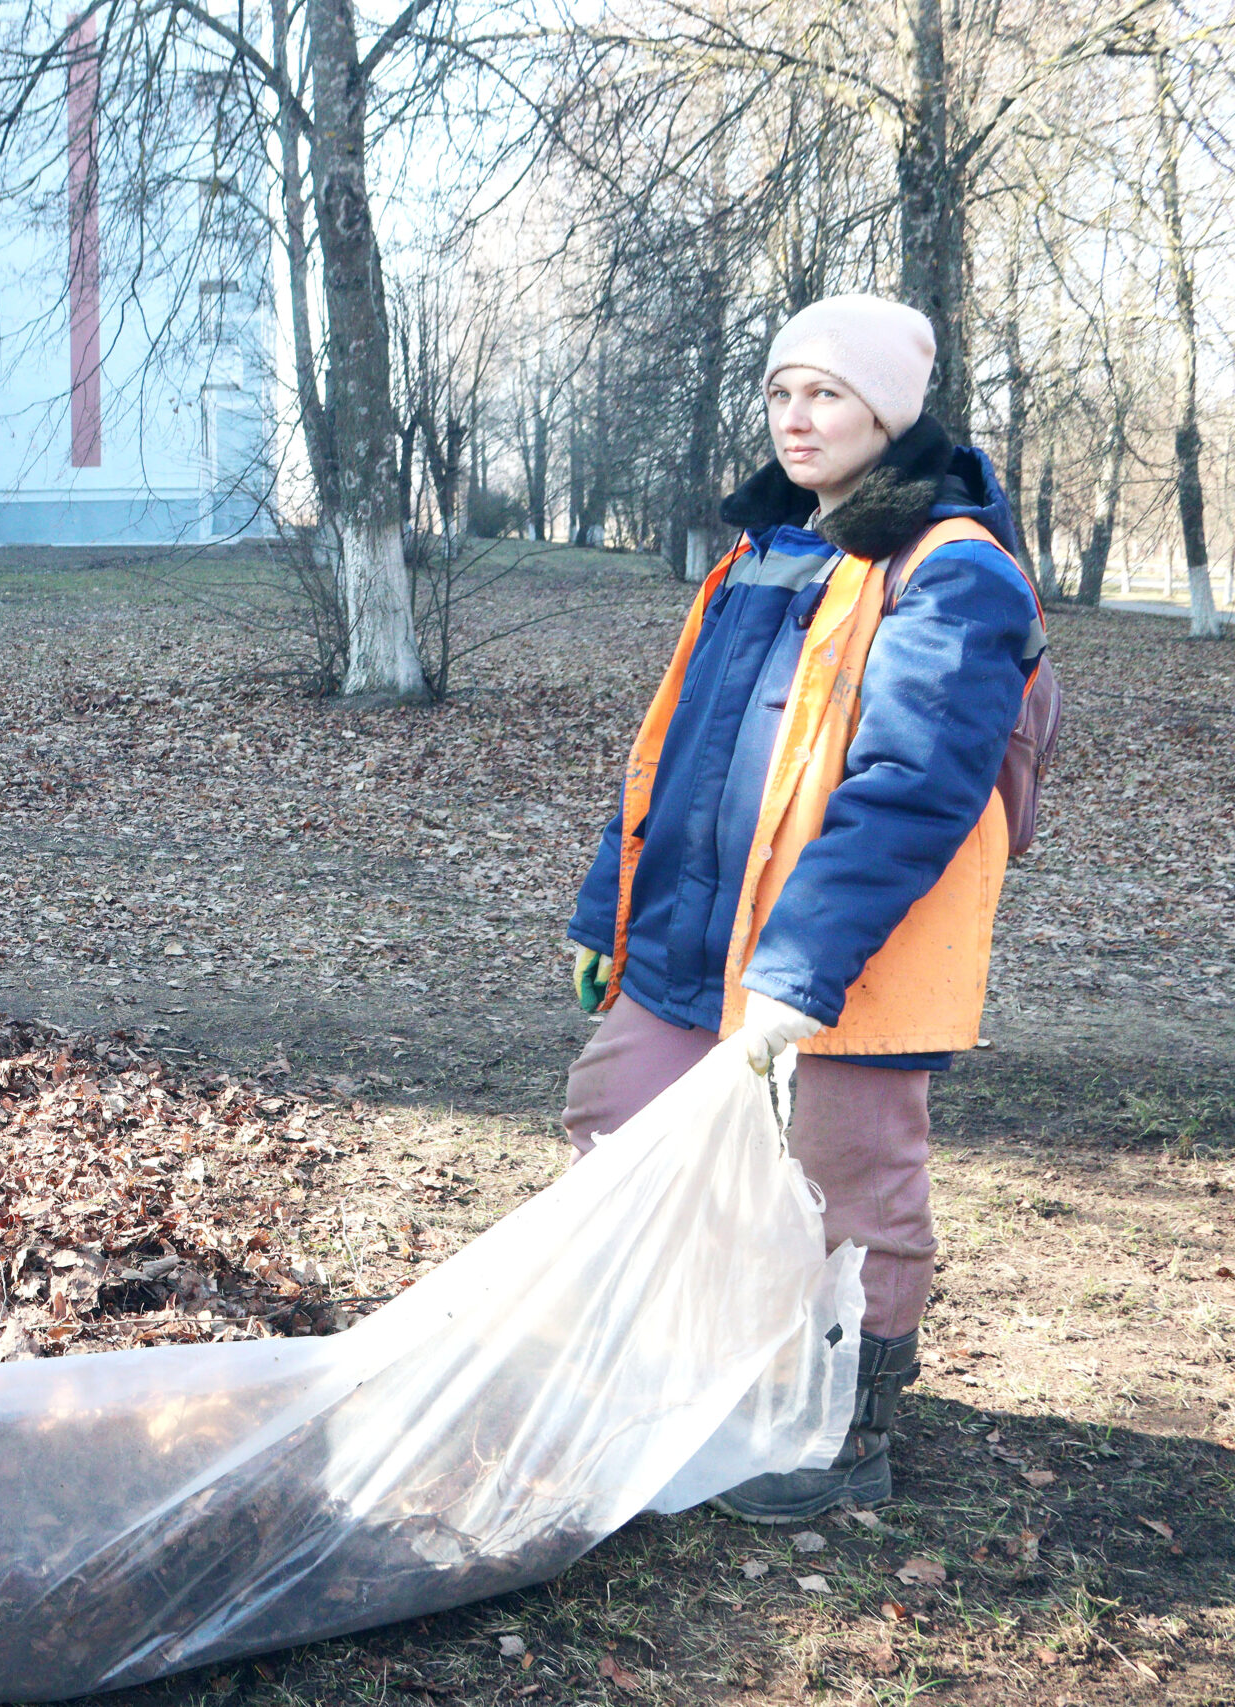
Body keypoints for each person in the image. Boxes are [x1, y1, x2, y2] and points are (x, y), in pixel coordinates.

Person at [563, 295, 1044, 1522]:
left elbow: (911, 791)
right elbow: (675, 756)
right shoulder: (763, 552)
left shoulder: (953, 570)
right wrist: (606, 910)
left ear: (886, 412)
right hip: (692, 930)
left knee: (850, 1185)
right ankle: (668, 1372)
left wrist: (802, 967)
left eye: (825, 393)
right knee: (614, 1114)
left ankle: (840, 1433)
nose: (796, 417)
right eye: (781, 392)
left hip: (856, 949)